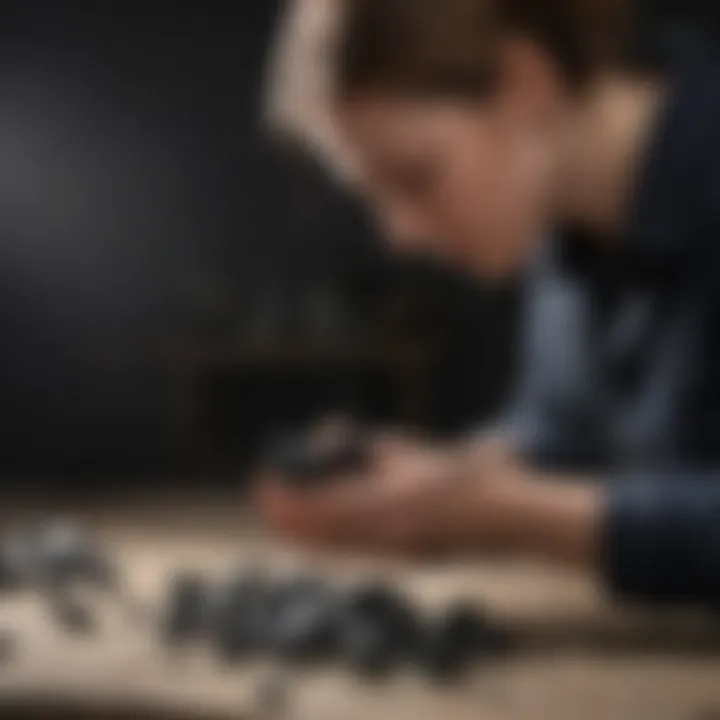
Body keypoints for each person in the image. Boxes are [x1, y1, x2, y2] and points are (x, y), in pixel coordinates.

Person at [259, 0, 720, 606]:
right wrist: (443, 477)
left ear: (524, 82)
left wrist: (508, 516)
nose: (399, 235)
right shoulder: (559, 225)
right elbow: (564, 432)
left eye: (417, 177)